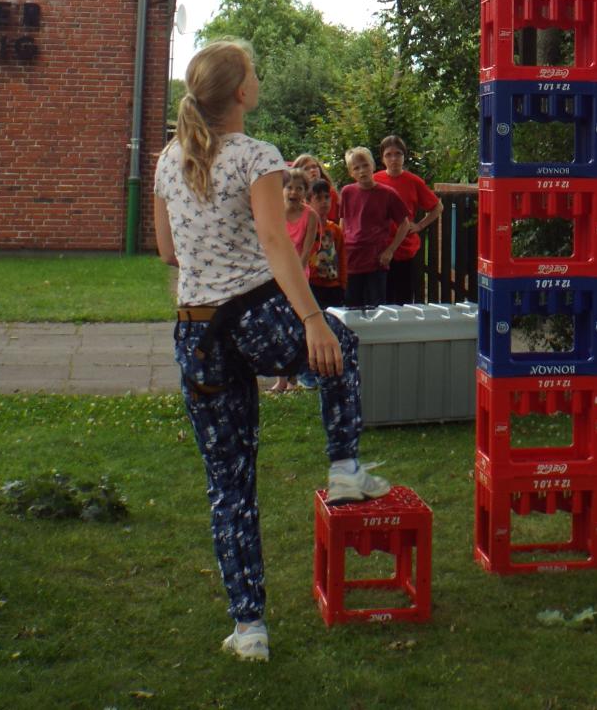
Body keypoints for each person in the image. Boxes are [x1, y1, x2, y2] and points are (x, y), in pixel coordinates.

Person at [153, 40, 390, 664]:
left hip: (196, 331)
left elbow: (168, 252)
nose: (257, 79)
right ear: (241, 92)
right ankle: (345, 470)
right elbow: (272, 238)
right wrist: (312, 318)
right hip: (253, 314)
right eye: (254, 72)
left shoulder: (168, 159)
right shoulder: (258, 155)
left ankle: (249, 628)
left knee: (229, 485)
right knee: (340, 345)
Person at [373, 135, 443, 305]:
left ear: (404, 156)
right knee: (381, 299)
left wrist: (420, 225)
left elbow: (437, 207)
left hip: (405, 248)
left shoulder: (413, 181)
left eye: (398, 154)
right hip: (379, 248)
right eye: (389, 154)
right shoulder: (375, 180)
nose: (393, 159)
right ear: (382, 158)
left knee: (403, 299)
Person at [339, 146, 412, 308]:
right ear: (351, 173)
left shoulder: (388, 193)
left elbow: (404, 223)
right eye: (356, 168)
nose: (362, 171)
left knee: (376, 308)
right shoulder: (346, 192)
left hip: (376, 260)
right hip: (351, 260)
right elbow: (343, 221)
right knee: (351, 307)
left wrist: (390, 250)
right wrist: (340, 249)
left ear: (372, 165)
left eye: (365, 165)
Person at [269, 169, 321, 393]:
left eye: (299, 188)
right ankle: (281, 380)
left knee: (296, 328)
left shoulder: (311, 216)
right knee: (277, 327)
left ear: (305, 192)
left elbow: (307, 250)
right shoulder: (274, 212)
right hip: (276, 274)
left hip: (299, 275)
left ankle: (296, 378)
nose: (293, 192)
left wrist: (295, 276)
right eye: (289, 188)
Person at [306, 177, 347, 311]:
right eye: (318, 198)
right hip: (311, 284)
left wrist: (343, 284)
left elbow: (342, 257)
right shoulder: (305, 228)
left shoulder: (335, 229)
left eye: (327, 197)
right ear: (308, 202)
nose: (324, 202)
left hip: (333, 285)